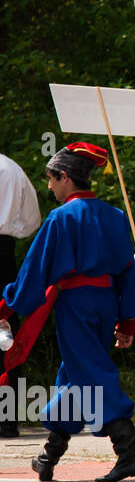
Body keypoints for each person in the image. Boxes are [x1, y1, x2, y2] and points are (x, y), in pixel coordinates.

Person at [0, 143, 135, 482]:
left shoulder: (61, 218)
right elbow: (128, 272)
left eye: (52, 180)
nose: (49, 187)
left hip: (76, 305)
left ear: (65, 177)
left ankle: (129, 451)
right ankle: (49, 454)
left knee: (93, 374)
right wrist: (128, 321)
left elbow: (34, 271)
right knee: (75, 375)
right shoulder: (114, 215)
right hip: (106, 304)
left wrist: (5, 308)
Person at [0, 152, 41, 437]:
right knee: (6, 334)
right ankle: (6, 419)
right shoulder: (11, 168)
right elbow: (32, 220)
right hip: (4, 254)